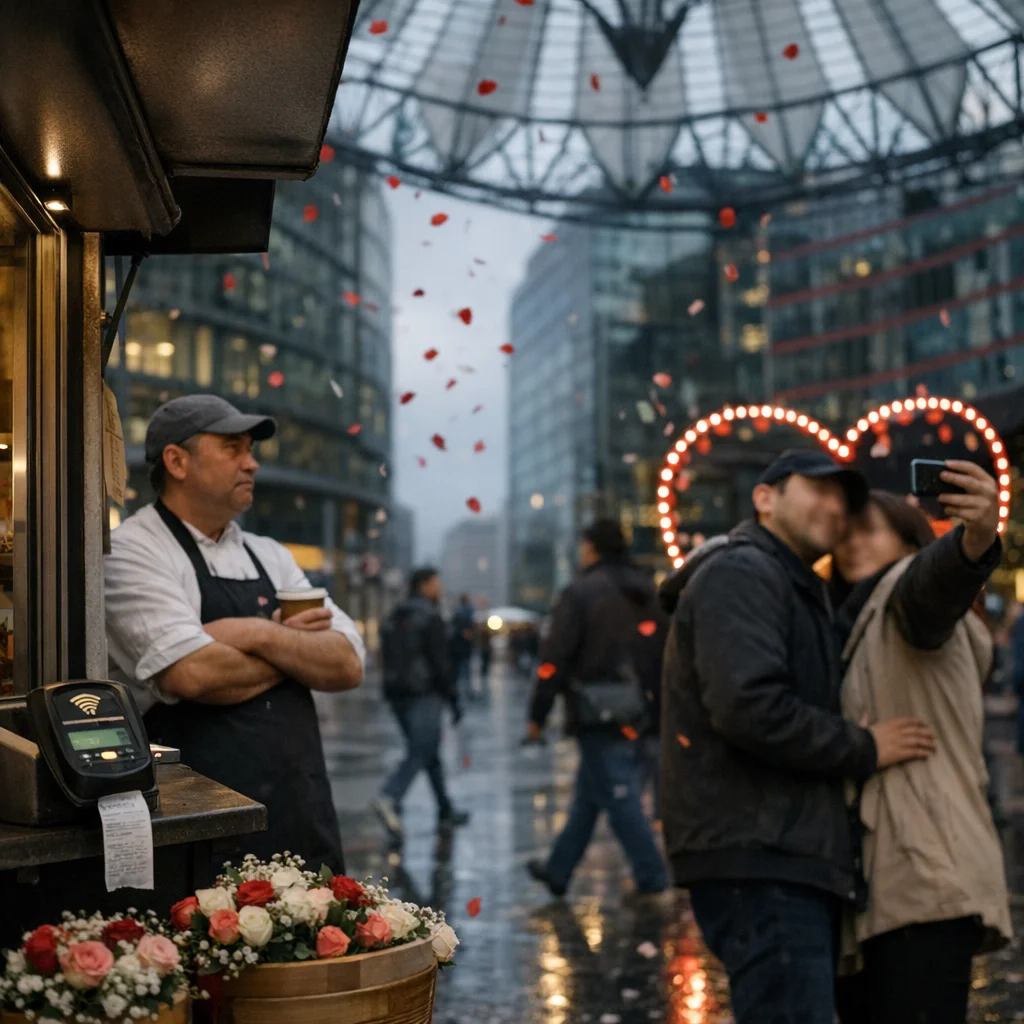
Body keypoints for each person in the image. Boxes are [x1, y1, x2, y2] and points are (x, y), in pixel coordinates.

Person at [659, 450, 935, 1024]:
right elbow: (749, 705)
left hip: (777, 850)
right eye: (819, 490)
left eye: (846, 500)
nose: (836, 508)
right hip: (763, 856)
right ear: (765, 497)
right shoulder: (745, 572)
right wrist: (865, 747)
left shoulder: (789, 582)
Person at [104, 395, 364, 873]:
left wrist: (252, 633)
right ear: (177, 461)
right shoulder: (132, 550)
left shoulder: (271, 555)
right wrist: (293, 649)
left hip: (301, 813)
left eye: (250, 449)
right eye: (232, 448)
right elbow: (193, 674)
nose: (252, 463)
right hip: (201, 828)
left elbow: (347, 664)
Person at [829, 467, 1011, 1024]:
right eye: (845, 532)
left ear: (910, 542)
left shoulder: (905, 599)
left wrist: (973, 540)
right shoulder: (851, 618)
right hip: (887, 883)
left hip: (926, 873)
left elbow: (936, 585)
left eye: (869, 529)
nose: (852, 541)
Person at [525, 519, 668, 898]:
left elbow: (553, 658)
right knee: (590, 797)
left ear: (591, 547)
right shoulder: (645, 590)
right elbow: (662, 652)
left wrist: (537, 715)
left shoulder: (581, 592)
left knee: (620, 797)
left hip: (598, 711)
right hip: (642, 708)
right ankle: (559, 869)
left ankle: (652, 875)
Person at [373, 568, 469, 842]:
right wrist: (453, 698)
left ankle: (445, 809)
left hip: (396, 692)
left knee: (428, 751)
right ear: (424, 585)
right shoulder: (430, 616)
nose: (439, 588)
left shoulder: (394, 615)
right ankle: (389, 797)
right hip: (425, 692)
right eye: (436, 583)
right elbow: (441, 661)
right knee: (421, 749)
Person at [449, 594, 476, 703]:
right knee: (464, 673)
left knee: (460, 673)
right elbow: (466, 633)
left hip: (458, 650)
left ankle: (460, 692)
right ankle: (465, 692)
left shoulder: (458, 614)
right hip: (462, 650)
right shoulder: (465, 616)